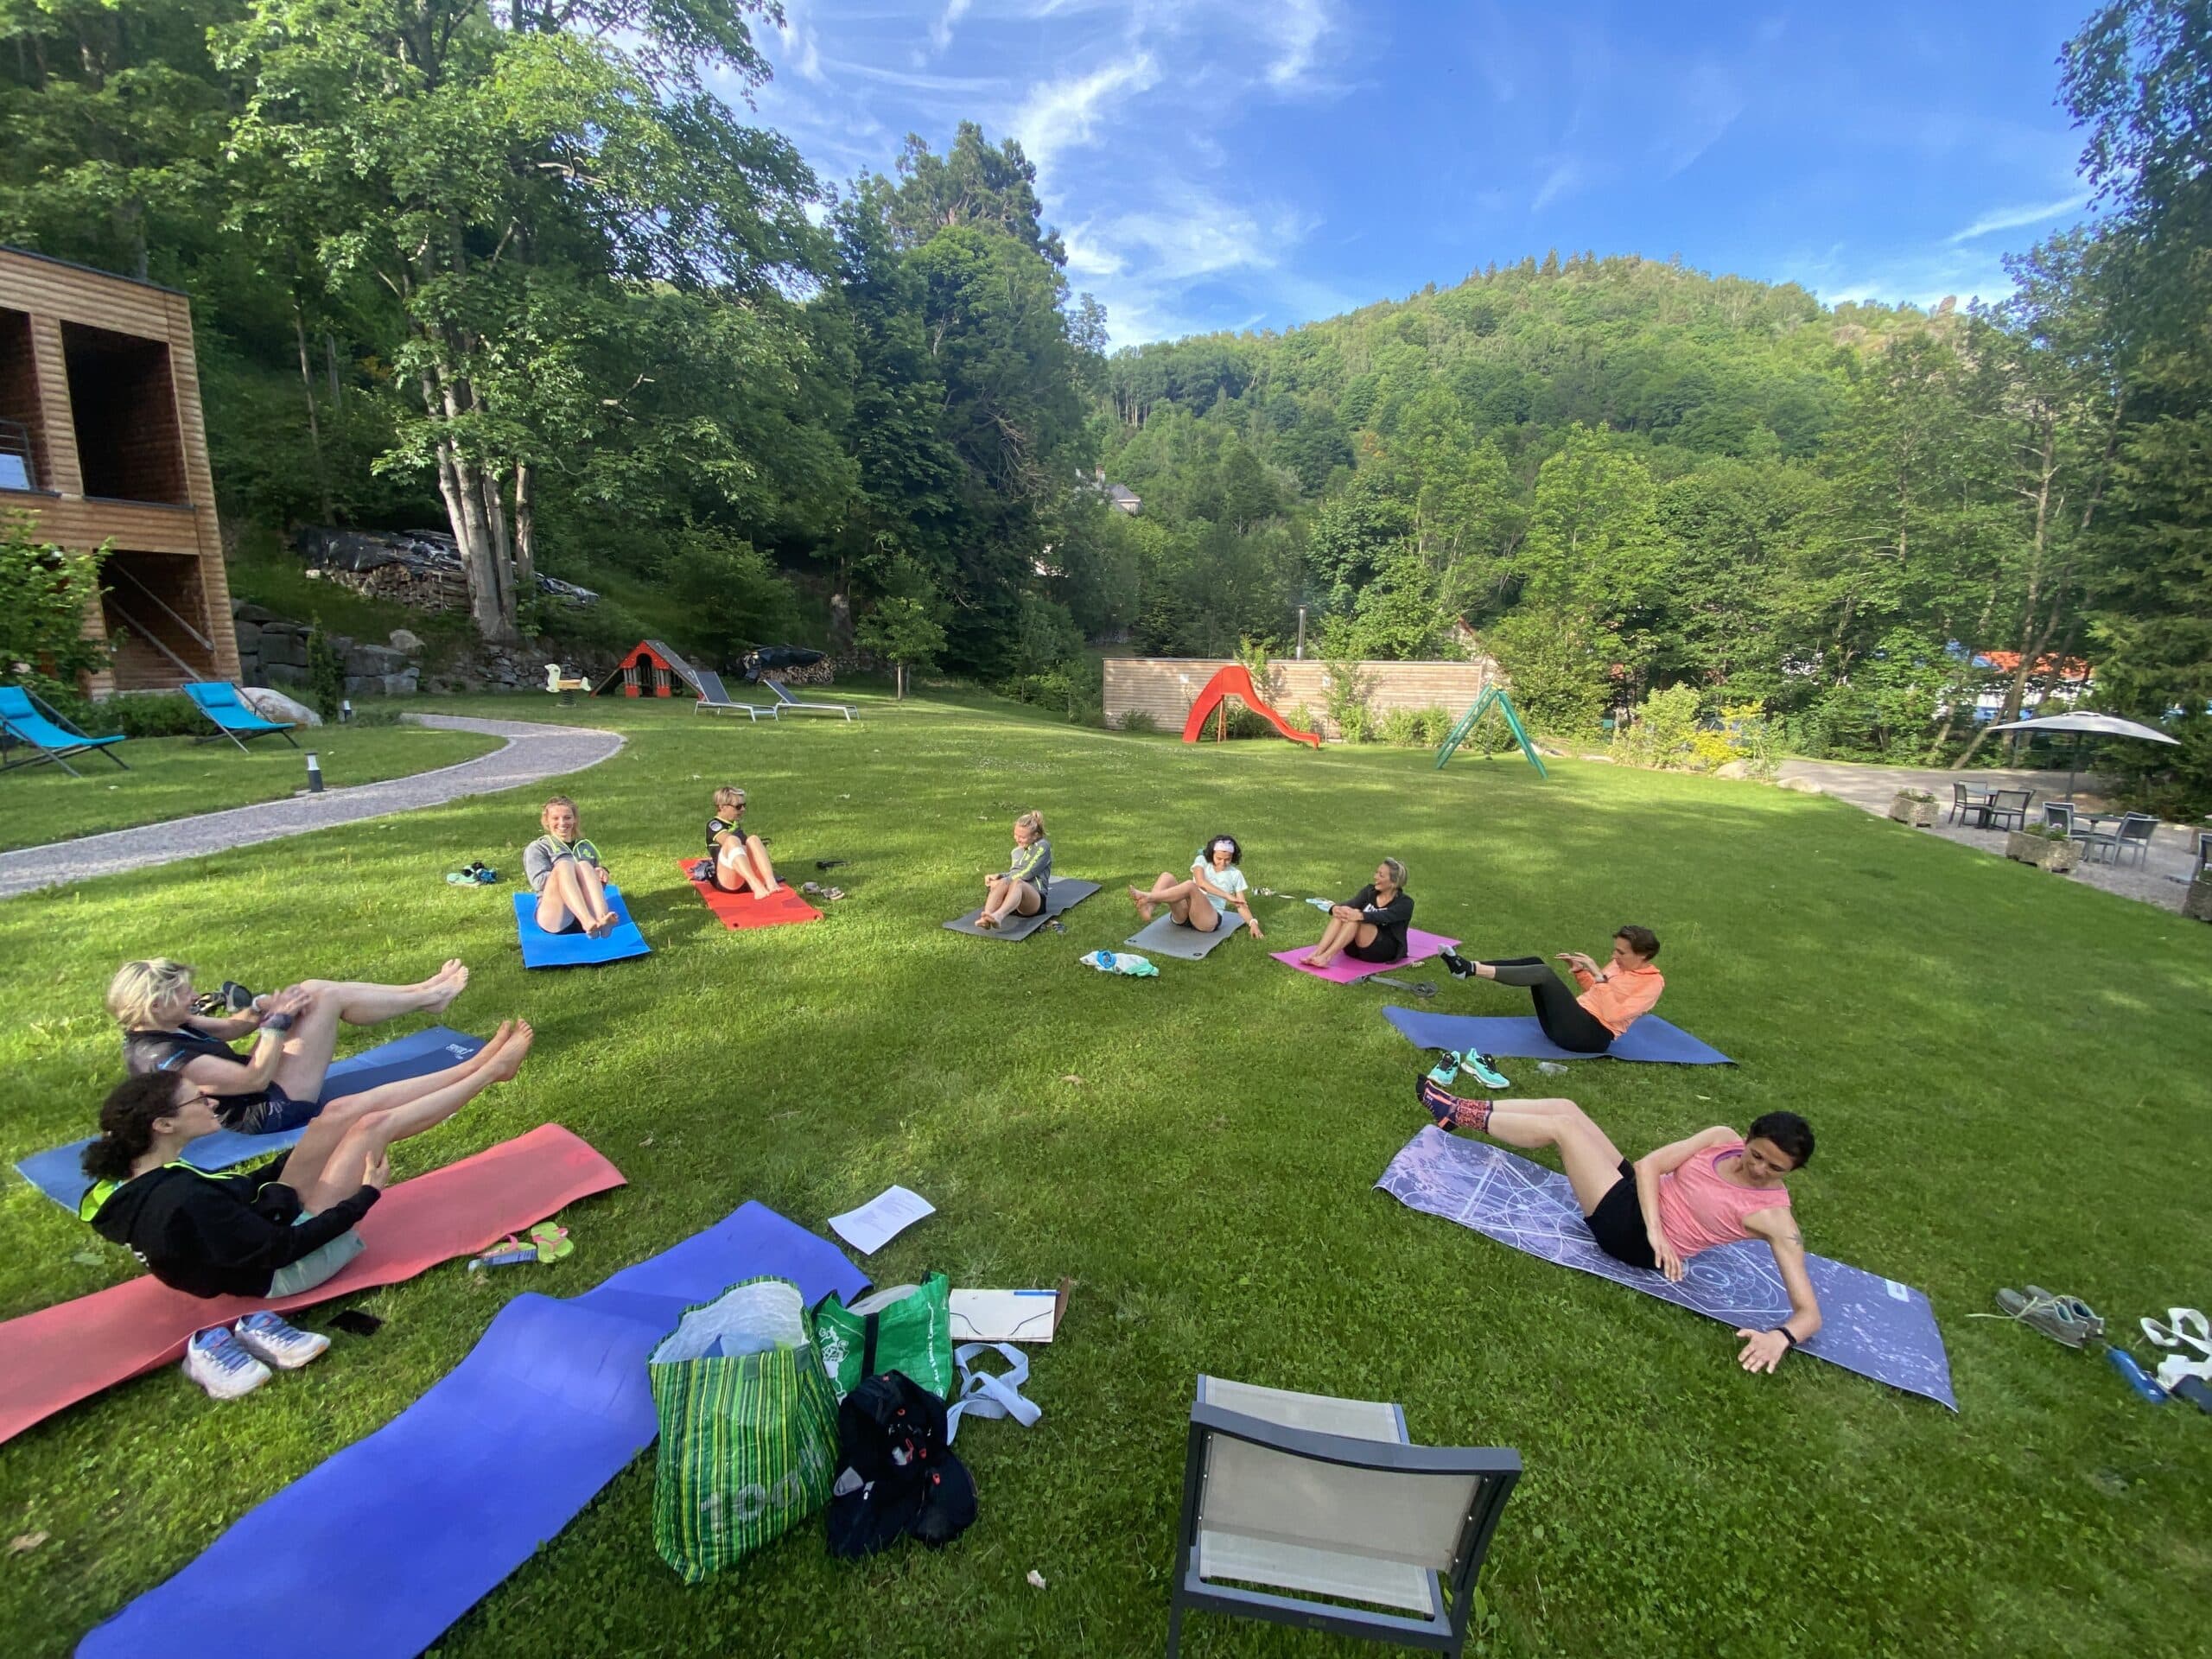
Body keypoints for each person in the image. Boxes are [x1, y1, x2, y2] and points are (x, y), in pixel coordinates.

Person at [79, 1021, 535, 1397]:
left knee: (336, 1114)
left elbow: (235, 1196)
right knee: (372, 1128)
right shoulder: (184, 1199)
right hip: (282, 1271)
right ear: (163, 1124)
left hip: (261, 1221)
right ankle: (492, 1073)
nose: (211, 1101)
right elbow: (285, 1248)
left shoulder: (133, 1179)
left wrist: (301, 1155)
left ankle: (474, 1063)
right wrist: (364, 1197)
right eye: (198, 1100)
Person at [1416, 1077, 1821, 1374]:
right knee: (1568, 1108)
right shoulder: (1721, 1138)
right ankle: (1459, 1107)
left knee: (1563, 1129)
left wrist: (1780, 1338)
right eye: (1756, 1155)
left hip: (1634, 1238)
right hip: (1642, 1201)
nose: (1759, 1170)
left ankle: (1454, 1113)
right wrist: (1655, 1219)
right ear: (1747, 1138)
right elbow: (1649, 1166)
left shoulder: (1774, 1218)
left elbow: (1809, 1313)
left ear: (1792, 1171)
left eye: (1775, 1168)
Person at [108, 956, 470, 1136]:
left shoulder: (165, 1020)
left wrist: (260, 1007)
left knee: (312, 989)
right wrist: (278, 1021)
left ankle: (423, 992)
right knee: (327, 1000)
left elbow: (232, 1028)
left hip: (259, 1086)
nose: (194, 997)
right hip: (268, 1109)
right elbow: (255, 1079)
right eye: (184, 994)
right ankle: (428, 998)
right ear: (156, 1004)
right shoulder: (166, 1055)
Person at [1440, 926, 1663, 1055]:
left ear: (1643, 955)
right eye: (1615, 950)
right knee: (1535, 962)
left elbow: (1613, 1014)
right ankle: (1467, 967)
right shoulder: (1617, 965)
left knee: (1544, 973)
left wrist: (1598, 975)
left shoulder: (1652, 984)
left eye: (1621, 953)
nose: (1614, 956)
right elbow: (1596, 991)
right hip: (1568, 1024)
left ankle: (1468, 969)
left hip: (1589, 1037)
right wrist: (1580, 972)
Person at [1128, 836, 1263, 940]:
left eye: (1227, 859)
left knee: (1189, 886)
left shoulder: (1235, 874)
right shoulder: (1202, 860)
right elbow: (1200, 882)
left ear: (1232, 857)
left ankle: (1148, 897)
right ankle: (1149, 908)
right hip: (1183, 916)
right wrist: (1227, 895)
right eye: (1219, 858)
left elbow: (1241, 904)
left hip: (1207, 920)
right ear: (1212, 853)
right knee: (1166, 876)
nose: (1223, 863)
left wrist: (1253, 923)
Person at [525, 795, 618, 938]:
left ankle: (602, 920)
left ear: (574, 820)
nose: (562, 823)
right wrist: (570, 874)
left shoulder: (585, 847)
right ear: (547, 821)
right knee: (564, 865)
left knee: (584, 865)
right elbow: (539, 882)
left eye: (567, 818)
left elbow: (594, 889)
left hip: (590, 913)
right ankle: (586, 922)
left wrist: (600, 873)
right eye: (555, 818)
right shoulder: (539, 847)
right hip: (558, 917)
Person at [1298, 858, 1412, 969]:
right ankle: (1317, 953)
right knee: (1344, 912)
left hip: (1381, 951)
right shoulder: (1369, 891)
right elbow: (1351, 904)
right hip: (1354, 949)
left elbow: (1383, 916)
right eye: (1376, 872)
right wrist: (1335, 908)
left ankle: (1326, 957)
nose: (1375, 877)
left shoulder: (1405, 903)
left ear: (1393, 883)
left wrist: (1360, 915)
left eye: (1381, 875)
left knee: (1356, 917)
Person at [977, 810, 1051, 931]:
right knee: (1001, 882)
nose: (1017, 839)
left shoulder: (1043, 846)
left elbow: (1028, 873)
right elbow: (1015, 872)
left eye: (1022, 837)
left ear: (1035, 835)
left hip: (1034, 900)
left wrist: (1005, 880)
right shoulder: (1016, 851)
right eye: (1016, 835)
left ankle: (998, 916)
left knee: (1017, 882)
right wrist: (999, 876)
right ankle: (986, 918)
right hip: (1015, 899)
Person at [704, 785, 779, 899]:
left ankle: (770, 881)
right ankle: (755, 884)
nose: (743, 809)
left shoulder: (734, 824)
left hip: (744, 880)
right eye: (738, 806)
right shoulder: (714, 825)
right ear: (722, 807)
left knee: (753, 839)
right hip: (729, 882)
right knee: (732, 840)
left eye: (744, 805)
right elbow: (728, 842)